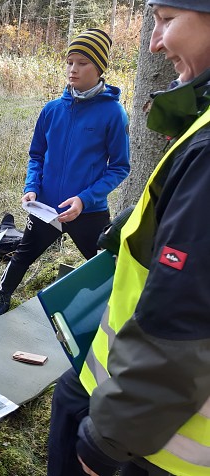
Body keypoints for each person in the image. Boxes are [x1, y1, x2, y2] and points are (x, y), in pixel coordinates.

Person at [48, 2, 210, 475]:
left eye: (166, 20)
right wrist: (138, 219)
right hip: (118, 371)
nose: (156, 41)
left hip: (165, 436)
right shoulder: (198, 123)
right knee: (67, 400)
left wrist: (109, 438)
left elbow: (183, 320)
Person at [0, 28, 131, 319]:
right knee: (23, 255)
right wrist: (32, 187)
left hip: (87, 211)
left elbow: (119, 167)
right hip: (46, 208)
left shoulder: (114, 114)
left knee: (105, 265)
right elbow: (36, 155)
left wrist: (85, 200)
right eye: (70, 62)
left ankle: (121, 313)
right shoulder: (52, 110)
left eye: (82, 63)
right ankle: (1, 296)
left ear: (100, 67)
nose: (73, 69)